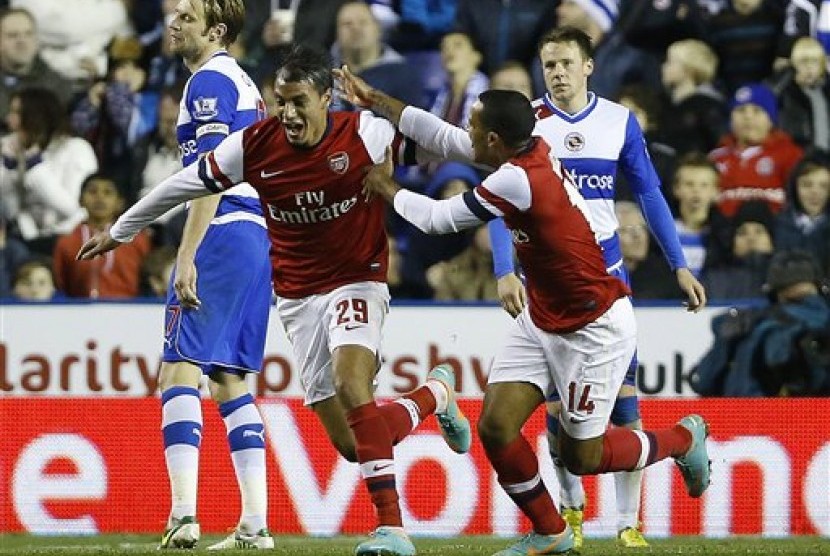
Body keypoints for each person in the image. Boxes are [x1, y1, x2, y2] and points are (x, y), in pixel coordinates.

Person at [76, 44, 472, 556]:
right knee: (355, 444)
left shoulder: (365, 134)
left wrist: (388, 105)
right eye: (280, 101)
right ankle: (434, 397)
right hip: (299, 296)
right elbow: (182, 185)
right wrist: (123, 231)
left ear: (327, 98)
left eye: (298, 102)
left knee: (354, 385)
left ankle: (391, 529)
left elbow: (450, 143)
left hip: (357, 280)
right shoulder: (255, 146)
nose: (287, 113)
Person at [339, 77, 711, 555]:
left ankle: (683, 439)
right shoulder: (519, 149)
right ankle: (550, 531)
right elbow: (447, 138)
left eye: (473, 127)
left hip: (593, 328)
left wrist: (384, 186)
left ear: (493, 139)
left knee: (583, 456)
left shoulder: (519, 178)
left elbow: (435, 219)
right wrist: (380, 101)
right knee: (495, 427)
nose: (464, 134)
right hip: (543, 315)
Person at [485, 26, 706, 549]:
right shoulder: (527, 124)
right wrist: (503, 268)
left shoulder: (618, 121)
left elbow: (649, 193)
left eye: (565, 63)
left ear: (588, 66)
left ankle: (629, 522)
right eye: (549, 65)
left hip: (608, 282)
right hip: (545, 286)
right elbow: (498, 200)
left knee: (625, 405)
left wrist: (678, 263)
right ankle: (572, 516)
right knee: (559, 414)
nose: (556, 73)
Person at [130, 0, 273, 550]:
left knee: (178, 372)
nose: (174, 22)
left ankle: (183, 514)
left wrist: (186, 254)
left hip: (224, 228)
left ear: (216, 30)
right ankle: (255, 525)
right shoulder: (245, 83)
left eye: (187, 17)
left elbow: (209, 178)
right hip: (256, 233)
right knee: (230, 379)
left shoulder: (209, 82)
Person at [52, 173, 151, 299]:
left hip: (128, 311)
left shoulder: (137, 239)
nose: (99, 198)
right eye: (92, 192)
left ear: (120, 202)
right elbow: (61, 285)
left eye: (108, 192)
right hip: (79, 312)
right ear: (80, 200)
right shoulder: (66, 242)